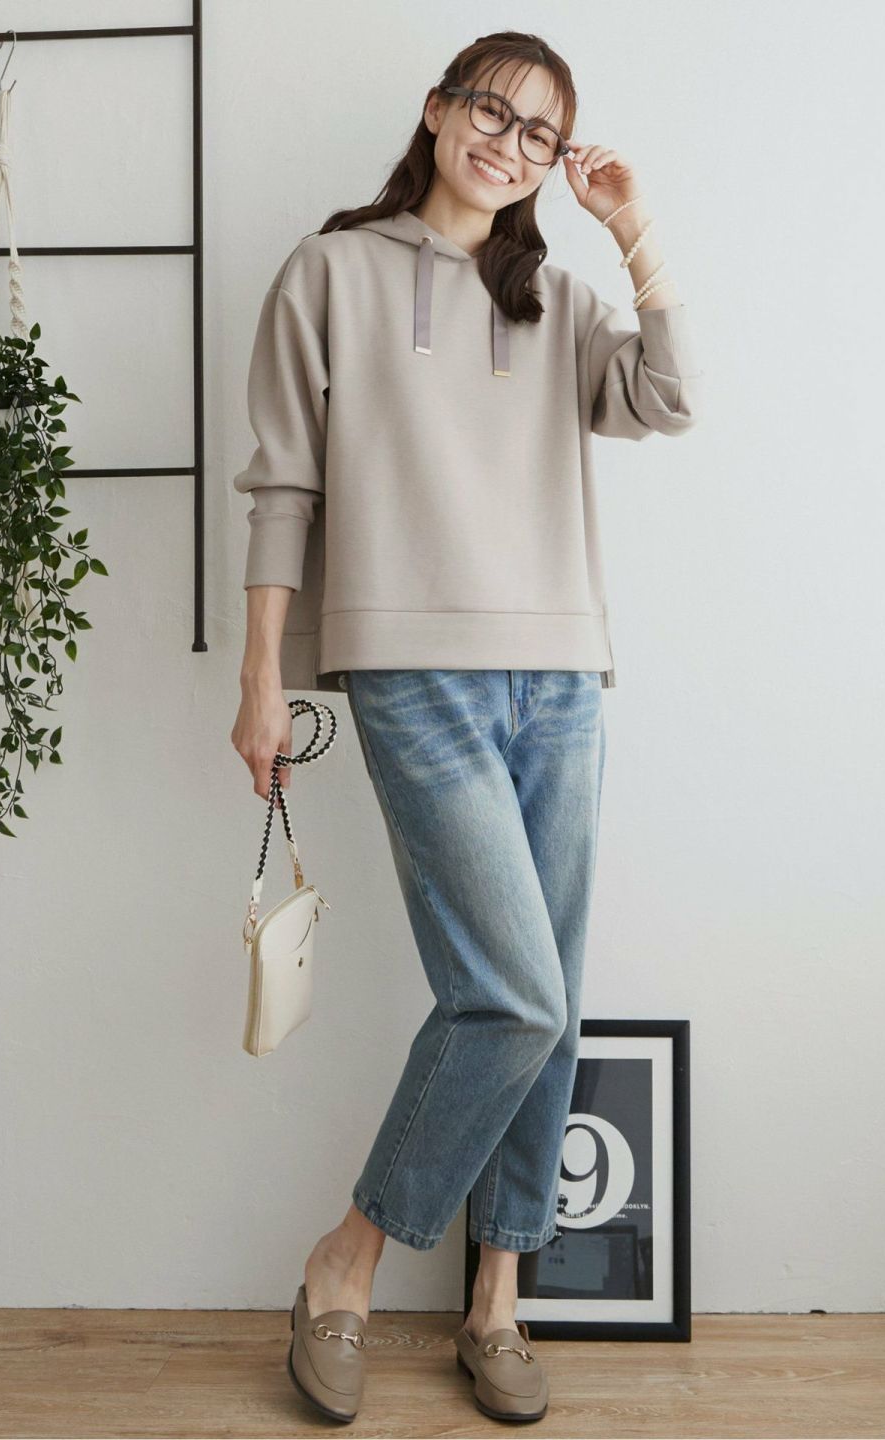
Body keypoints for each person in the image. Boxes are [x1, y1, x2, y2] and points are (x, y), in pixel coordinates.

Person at [229, 30, 702, 1423]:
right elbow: (281, 487)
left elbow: (669, 399)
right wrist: (261, 679)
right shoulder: (329, 272)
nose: (510, 143)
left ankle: (498, 1296)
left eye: (541, 133)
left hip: (559, 676)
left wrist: (633, 233)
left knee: (547, 994)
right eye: (492, 111)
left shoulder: (556, 298)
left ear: (555, 161)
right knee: (515, 992)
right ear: (438, 112)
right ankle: (349, 1258)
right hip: (409, 673)